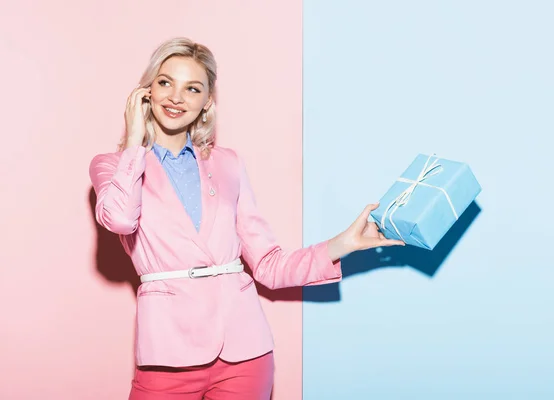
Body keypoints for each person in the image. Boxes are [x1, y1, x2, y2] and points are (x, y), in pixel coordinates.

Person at [89, 37, 404, 400]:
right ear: (145, 91)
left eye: (192, 88)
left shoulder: (227, 163)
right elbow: (120, 221)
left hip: (245, 351)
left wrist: (343, 244)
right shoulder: (112, 166)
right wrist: (134, 142)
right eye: (165, 83)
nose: (176, 97)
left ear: (207, 102)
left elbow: (268, 265)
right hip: (167, 355)